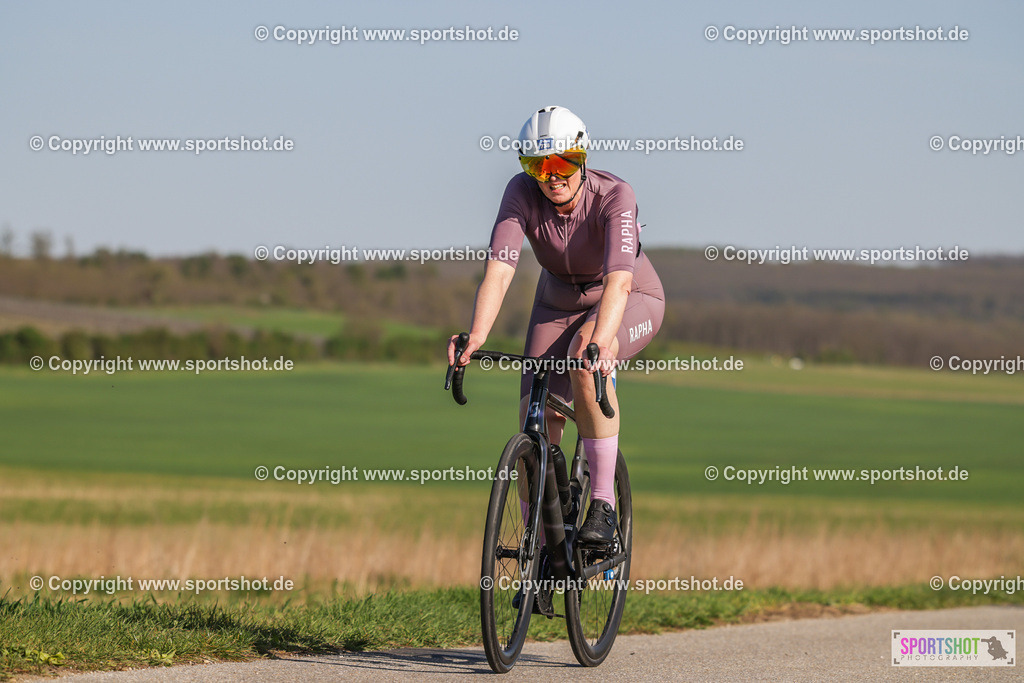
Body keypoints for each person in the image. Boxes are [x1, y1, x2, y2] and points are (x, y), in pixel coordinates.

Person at [448, 106, 665, 546]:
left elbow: (619, 283)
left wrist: (601, 343)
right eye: (537, 166)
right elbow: (500, 270)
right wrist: (476, 335)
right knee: (534, 415)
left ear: (582, 158)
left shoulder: (614, 195)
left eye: (562, 163)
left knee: (584, 362)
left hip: (626, 297)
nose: (550, 177)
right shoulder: (520, 192)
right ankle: (541, 544)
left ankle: (602, 506)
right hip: (556, 300)